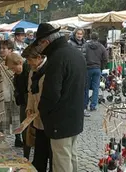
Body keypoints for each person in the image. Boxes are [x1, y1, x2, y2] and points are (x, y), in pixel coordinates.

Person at [34, 23, 86, 172]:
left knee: (62, 161)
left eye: (39, 44)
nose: (40, 48)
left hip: (60, 119)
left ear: (46, 42)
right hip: (74, 115)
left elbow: (51, 93)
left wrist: (42, 111)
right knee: (70, 156)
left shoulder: (57, 57)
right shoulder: (75, 53)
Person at [22, 44, 52, 172]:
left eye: (30, 60)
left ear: (39, 57)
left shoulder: (49, 69)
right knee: (39, 151)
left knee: (51, 152)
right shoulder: (32, 70)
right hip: (36, 116)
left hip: (48, 117)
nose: (28, 63)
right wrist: (29, 108)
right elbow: (30, 91)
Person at [6, 52, 31, 158]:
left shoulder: (29, 69)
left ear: (19, 62)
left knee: (30, 132)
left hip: (30, 104)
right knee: (24, 130)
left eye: (13, 68)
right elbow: (17, 87)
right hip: (23, 103)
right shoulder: (18, 73)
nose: (13, 71)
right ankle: (26, 156)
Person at [84, 32, 108, 113]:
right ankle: (93, 106)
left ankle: (85, 104)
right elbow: (105, 58)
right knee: (96, 88)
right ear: (98, 38)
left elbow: (82, 56)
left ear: (90, 37)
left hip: (87, 69)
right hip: (97, 69)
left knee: (86, 88)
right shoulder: (101, 47)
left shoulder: (86, 46)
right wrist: (101, 67)